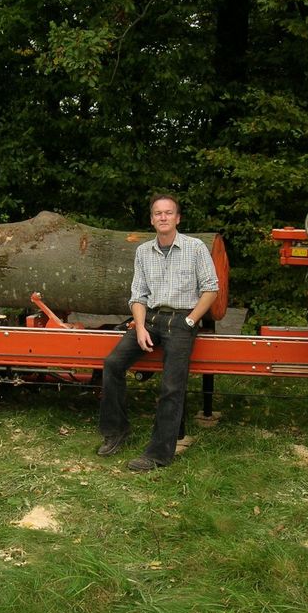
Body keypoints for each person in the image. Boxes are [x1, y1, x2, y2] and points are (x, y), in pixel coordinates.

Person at [97, 193, 220, 471]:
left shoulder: (196, 248)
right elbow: (138, 295)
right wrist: (139, 327)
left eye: (168, 213)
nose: (163, 217)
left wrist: (190, 322)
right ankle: (116, 431)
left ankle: (158, 454)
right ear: (152, 219)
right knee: (112, 364)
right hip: (150, 319)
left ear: (177, 218)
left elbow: (211, 289)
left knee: (171, 386)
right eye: (157, 213)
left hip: (181, 321)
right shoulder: (143, 252)